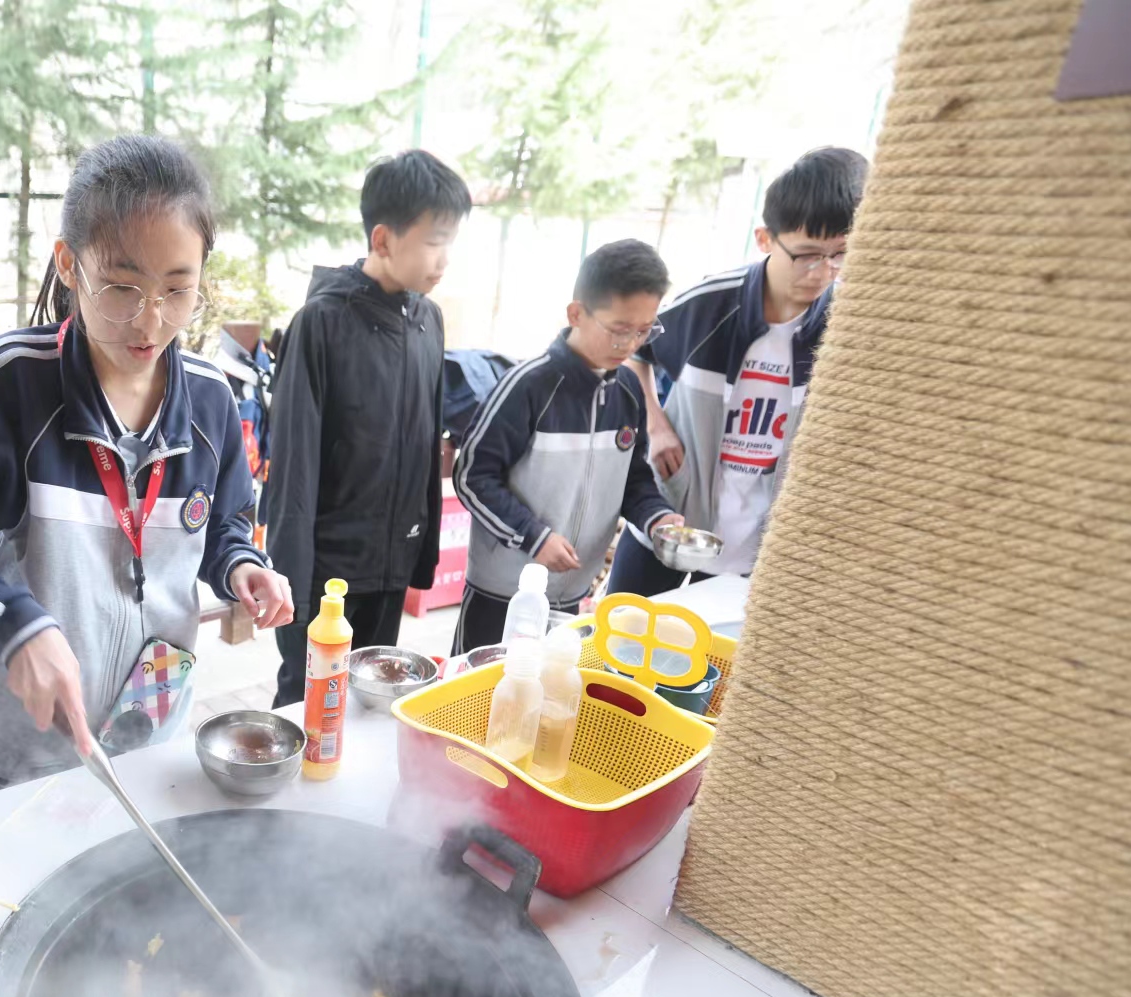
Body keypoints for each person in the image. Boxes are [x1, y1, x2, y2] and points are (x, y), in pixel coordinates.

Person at [0, 136, 294, 798]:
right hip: (19, 765)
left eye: (178, 289)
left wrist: (241, 565)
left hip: (150, 739)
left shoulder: (211, 398)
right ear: (70, 265)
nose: (151, 321)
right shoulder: (12, 385)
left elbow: (224, 523)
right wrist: (14, 623)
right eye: (122, 286)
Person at [607, 146, 869, 596]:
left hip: (759, 545)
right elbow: (631, 352)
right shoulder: (706, 306)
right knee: (621, 643)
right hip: (671, 522)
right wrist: (656, 424)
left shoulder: (846, 326)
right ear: (765, 239)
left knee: (712, 661)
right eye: (806, 255)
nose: (823, 272)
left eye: (839, 255)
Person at [263, 150, 471, 707]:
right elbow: (293, 468)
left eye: (452, 241)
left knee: (374, 703)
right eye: (434, 240)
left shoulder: (428, 320)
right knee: (308, 703)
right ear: (382, 239)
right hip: (325, 573)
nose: (444, 258)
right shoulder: (321, 324)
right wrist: (292, 587)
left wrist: (417, 554)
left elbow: (427, 443)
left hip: (390, 564)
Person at [452, 240, 685, 651]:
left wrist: (657, 518)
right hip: (502, 592)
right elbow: (472, 476)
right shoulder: (528, 386)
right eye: (619, 330)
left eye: (644, 330)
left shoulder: (629, 391)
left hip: (572, 592)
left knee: (543, 695)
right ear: (577, 313)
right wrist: (533, 537)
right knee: (472, 701)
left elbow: (634, 482)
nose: (630, 345)